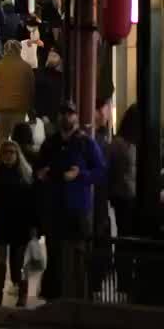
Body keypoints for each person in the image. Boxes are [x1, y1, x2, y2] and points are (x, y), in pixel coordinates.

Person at [35, 102, 105, 301]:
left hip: (78, 207)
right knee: (54, 252)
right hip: (55, 206)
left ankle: (80, 296)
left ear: (76, 117)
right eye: (63, 113)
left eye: (70, 114)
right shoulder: (50, 143)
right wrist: (42, 174)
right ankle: (54, 296)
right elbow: (38, 169)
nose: (67, 118)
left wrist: (79, 175)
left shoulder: (85, 143)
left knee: (79, 253)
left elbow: (100, 171)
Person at [0, 140, 40, 306]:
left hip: (20, 223)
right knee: (0, 259)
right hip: (1, 221)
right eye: (5, 152)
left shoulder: (25, 175)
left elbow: (32, 202)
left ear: (17, 155)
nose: (8, 155)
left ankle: (22, 293)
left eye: (12, 152)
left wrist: (34, 226)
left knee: (19, 261)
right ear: (1, 155)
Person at [0, 40, 34, 144]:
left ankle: (1, 159)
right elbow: (31, 90)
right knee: (18, 141)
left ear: (5, 51)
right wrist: (31, 110)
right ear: (19, 51)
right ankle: (16, 159)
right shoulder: (26, 67)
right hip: (20, 110)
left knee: (2, 140)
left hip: (2, 109)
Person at [106, 104, 139, 237]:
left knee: (125, 233)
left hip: (123, 195)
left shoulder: (117, 143)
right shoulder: (121, 144)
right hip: (125, 195)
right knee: (127, 233)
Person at [32, 52, 65, 135]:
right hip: (45, 117)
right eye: (50, 55)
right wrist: (42, 114)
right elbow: (37, 96)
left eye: (54, 56)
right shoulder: (40, 75)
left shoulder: (61, 77)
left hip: (56, 117)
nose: (51, 58)